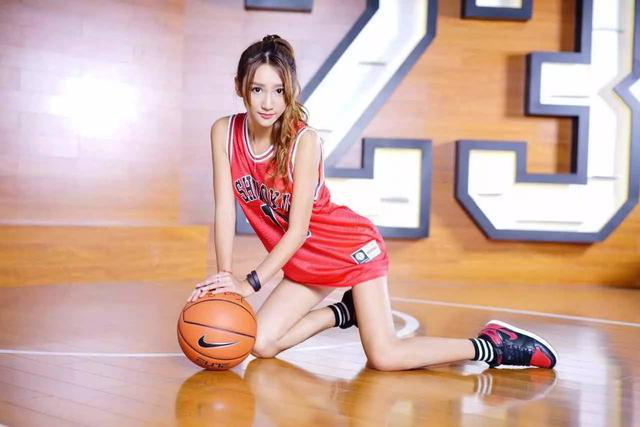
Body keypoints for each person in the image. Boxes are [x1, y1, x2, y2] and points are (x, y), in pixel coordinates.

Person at [188, 35, 558, 371]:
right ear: (239, 87)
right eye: (257, 89)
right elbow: (225, 208)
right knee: (261, 343)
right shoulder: (225, 132)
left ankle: (493, 345)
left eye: (279, 90)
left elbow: (298, 230)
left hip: (348, 247)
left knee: (384, 356)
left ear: (291, 92)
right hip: (303, 264)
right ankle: (344, 311)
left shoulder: (304, 142)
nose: (268, 103)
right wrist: (225, 279)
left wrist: (249, 284)